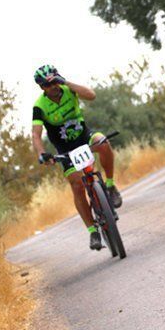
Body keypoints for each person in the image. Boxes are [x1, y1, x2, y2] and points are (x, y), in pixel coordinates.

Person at [31, 64, 122, 251]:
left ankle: (111, 187)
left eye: (55, 81)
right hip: (65, 149)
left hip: (84, 137)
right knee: (77, 185)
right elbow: (36, 134)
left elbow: (91, 95)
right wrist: (41, 154)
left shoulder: (68, 90)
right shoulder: (39, 106)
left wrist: (66, 82)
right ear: (42, 88)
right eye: (49, 85)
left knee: (103, 143)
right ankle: (93, 231)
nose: (54, 87)